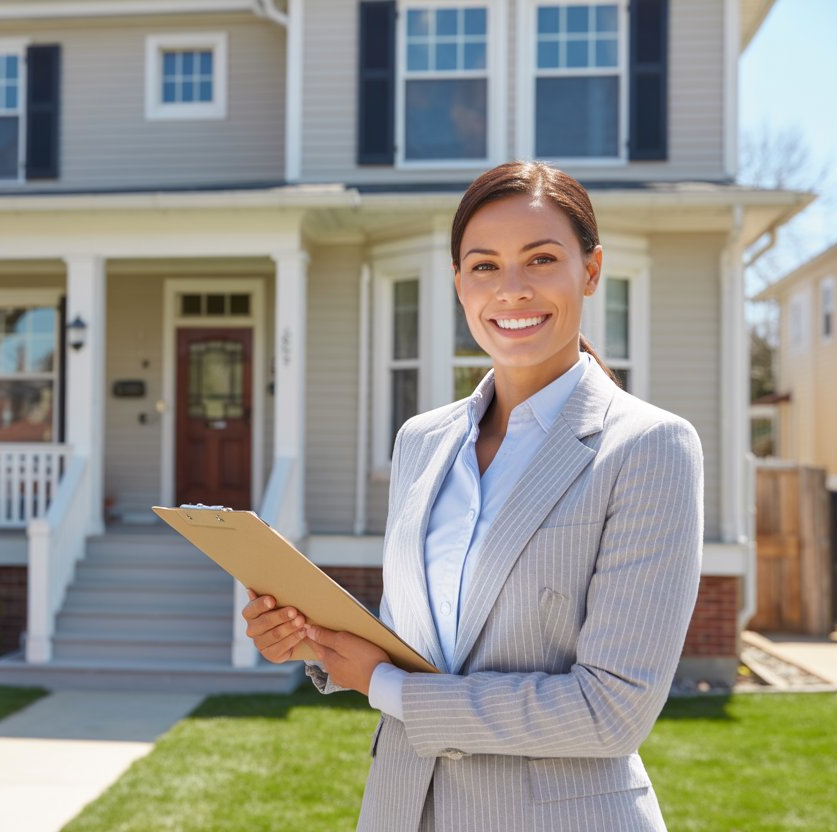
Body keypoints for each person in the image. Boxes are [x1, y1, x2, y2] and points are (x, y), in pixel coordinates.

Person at [241, 161, 703, 831]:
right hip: (401, 810)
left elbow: (612, 712)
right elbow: (423, 643)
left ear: (592, 271)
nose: (511, 290)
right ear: (460, 284)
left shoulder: (647, 448)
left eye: (541, 259)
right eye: (484, 266)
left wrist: (384, 685)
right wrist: (314, 640)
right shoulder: (422, 442)